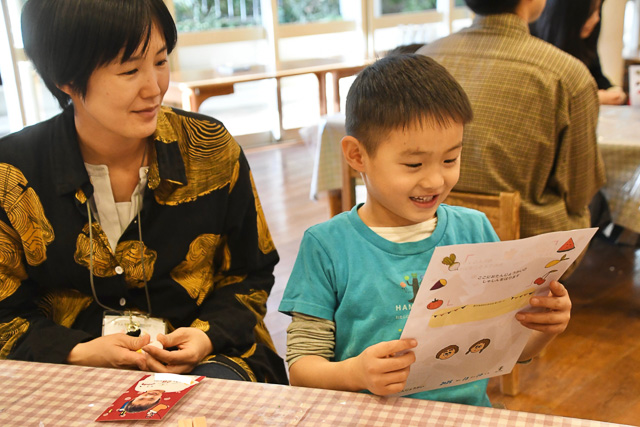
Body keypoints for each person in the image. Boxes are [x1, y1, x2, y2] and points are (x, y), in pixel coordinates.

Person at [0, 0, 287, 385]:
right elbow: (5, 312)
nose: (154, 88)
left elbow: (250, 272)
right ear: (65, 78)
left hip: (212, 356)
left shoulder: (209, 147)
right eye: (130, 70)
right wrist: (78, 352)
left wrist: (205, 337)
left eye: (161, 61)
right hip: (69, 369)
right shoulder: (13, 173)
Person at [278, 54, 572, 406]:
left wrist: (544, 328)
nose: (435, 180)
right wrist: (355, 373)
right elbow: (301, 370)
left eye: (450, 159)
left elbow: (509, 351)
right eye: (414, 164)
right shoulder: (327, 246)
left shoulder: (474, 230)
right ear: (357, 155)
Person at [419, 0, 606, 266]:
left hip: (427, 236)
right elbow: (580, 193)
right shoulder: (568, 74)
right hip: (526, 254)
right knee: (587, 208)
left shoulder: (423, 60)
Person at [531, 0, 627, 105]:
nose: (597, 18)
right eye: (593, 11)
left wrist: (614, 91)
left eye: (598, 11)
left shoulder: (585, 47)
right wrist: (595, 98)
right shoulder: (535, 48)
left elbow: (599, 78)